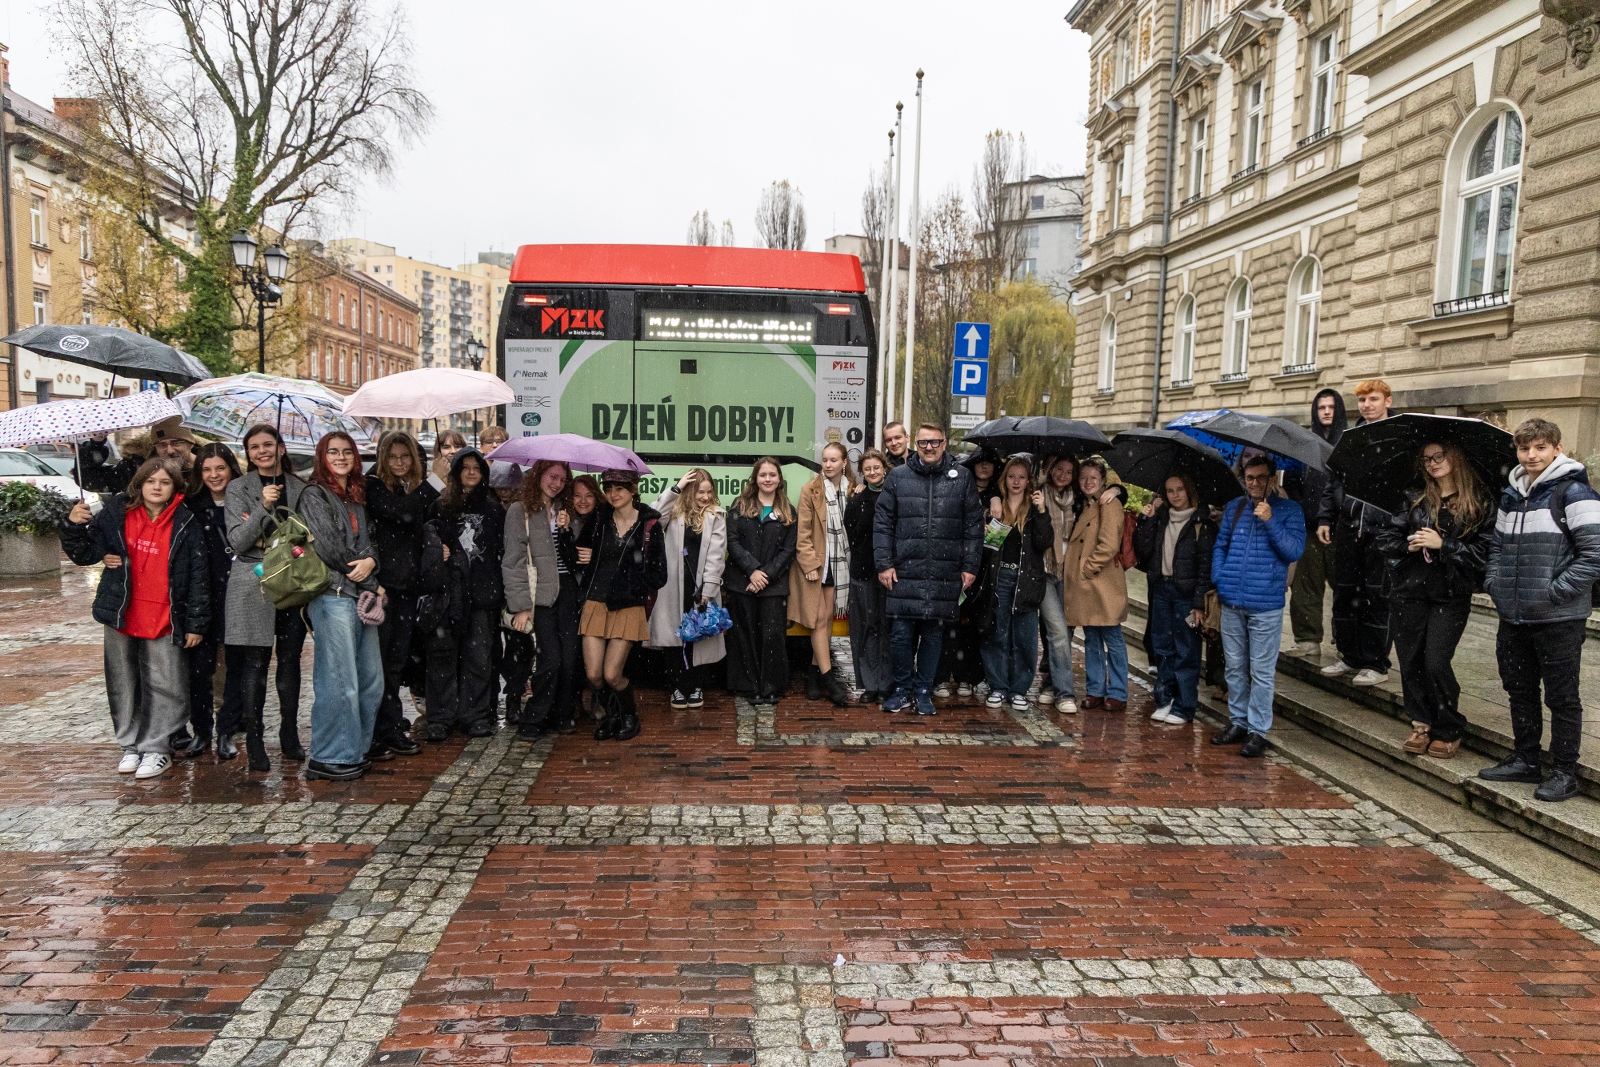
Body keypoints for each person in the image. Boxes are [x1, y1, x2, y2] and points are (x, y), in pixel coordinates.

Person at [60, 457, 208, 780]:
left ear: (175, 488)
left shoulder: (186, 520)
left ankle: (156, 748)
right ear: (139, 484)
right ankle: (130, 744)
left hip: (165, 613)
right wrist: (74, 524)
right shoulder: (116, 512)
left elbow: (199, 574)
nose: (157, 487)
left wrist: (196, 622)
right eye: (150, 481)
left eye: (164, 482)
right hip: (122, 610)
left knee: (166, 683)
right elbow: (85, 552)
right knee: (123, 681)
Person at [1479, 418, 1600, 803]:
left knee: (1562, 697)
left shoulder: (1575, 493)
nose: (1531, 456)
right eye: (1524, 449)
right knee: (1520, 690)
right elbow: (1496, 547)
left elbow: (1594, 554)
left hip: (1558, 617)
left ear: (1556, 449)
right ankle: (1526, 758)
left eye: (1540, 448)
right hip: (1513, 614)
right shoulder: (1512, 495)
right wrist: (1495, 585)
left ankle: (1564, 771)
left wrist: (1555, 592)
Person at [1374, 442, 1492, 760]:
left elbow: (1484, 554)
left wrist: (1445, 544)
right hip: (1409, 591)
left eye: (1439, 456)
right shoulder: (1414, 497)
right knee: (1411, 660)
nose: (1433, 463)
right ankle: (1421, 722)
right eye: (1427, 459)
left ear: (1455, 456)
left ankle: (1449, 726)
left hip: (1450, 594)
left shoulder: (1478, 501)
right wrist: (1408, 546)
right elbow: (1386, 537)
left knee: (1436, 661)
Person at [873, 424, 983, 716]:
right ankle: (901, 689)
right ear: (916, 444)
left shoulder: (962, 478)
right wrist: (884, 563)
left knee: (933, 635)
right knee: (900, 635)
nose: (929, 447)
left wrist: (970, 565)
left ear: (945, 443)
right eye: (923, 442)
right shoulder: (897, 477)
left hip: (943, 572)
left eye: (935, 442)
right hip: (904, 570)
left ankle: (923, 691)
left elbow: (974, 526)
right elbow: (882, 523)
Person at [298, 432, 384, 780]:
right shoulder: (314, 495)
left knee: (369, 680)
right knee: (338, 681)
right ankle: (328, 756)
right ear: (322, 457)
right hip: (332, 597)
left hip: (360, 598)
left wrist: (373, 562)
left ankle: (354, 750)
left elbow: (372, 541)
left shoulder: (357, 497)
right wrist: (370, 579)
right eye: (333, 451)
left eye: (347, 451)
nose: (341, 456)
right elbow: (330, 549)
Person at [223, 423, 309, 769]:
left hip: (292, 581)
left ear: (281, 448)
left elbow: (306, 536)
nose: (262, 451)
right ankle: (256, 739)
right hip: (252, 583)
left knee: (289, 659)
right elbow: (239, 541)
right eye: (254, 447)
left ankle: (289, 731)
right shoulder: (237, 489)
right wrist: (262, 507)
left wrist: (273, 544)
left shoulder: (301, 488)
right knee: (255, 663)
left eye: (268, 444)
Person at [1210, 455, 1306, 757]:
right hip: (1232, 600)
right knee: (1235, 668)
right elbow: (1221, 545)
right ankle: (1238, 721)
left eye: (1261, 477)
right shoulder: (1236, 507)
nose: (1254, 483)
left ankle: (1257, 730)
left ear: (1272, 479)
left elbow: (1293, 550)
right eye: (1249, 478)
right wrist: (1220, 577)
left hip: (1265, 605)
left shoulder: (1290, 510)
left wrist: (1270, 520)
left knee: (1261, 672)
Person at [420, 448, 505, 741]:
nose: (471, 473)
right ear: (455, 472)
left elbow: (500, 553)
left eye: (476, 468)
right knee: (442, 657)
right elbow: (426, 542)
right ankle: (440, 717)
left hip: (482, 594)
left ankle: (476, 715)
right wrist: (436, 549)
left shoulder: (494, 510)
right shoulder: (440, 506)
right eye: (464, 467)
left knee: (478, 658)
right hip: (446, 593)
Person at [579, 469, 667, 740]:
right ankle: (612, 715)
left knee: (612, 674)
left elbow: (659, 575)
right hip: (595, 601)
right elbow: (579, 554)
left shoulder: (649, 525)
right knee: (594, 675)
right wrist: (577, 550)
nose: (613, 494)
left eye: (619, 488)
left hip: (627, 605)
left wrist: (631, 579)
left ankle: (629, 716)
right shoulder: (598, 520)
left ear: (633, 490)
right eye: (608, 488)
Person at [364, 431, 437, 756]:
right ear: (382, 458)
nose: (398, 463)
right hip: (384, 587)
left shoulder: (411, 486)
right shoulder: (374, 486)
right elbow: (401, 512)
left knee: (396, 661)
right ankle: (381, 729)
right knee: (380, 663)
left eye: (404, 457)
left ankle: (392, 725)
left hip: (408, 587)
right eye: (392, 457)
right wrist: (435, 482)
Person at [1318, 380, 1394, 685]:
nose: (1366, 405)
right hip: (1349, 526)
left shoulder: (1397, 437)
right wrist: (1326, 517)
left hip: (1382, 530)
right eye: (1362, 400)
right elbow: (1332, 481)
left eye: (1373, 399)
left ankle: (1376, 663)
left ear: (1387, 401)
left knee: (1376, 596)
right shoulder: (1350, 438)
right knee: (1346, 593)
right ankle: (1349, 656)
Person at [503, 459, 578, 737]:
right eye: (552, 476)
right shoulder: (519, 510)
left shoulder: (565, 509)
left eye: (562, 479)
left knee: (570, 659)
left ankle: (561, 712)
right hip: (540, 597)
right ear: (539, 475)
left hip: (568, 593)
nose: (557, 483)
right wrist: (521, 606)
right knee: (550, 660)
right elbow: (513, 561)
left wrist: (567, 529)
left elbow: (573, 556)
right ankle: (533, 718)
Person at [1133, 474, 1214, 726]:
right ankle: (1165, 698)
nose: (1175, 495)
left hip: (1185, 595)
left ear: (1189, 491)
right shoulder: (1161, 519)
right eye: (1170, 490)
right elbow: (1143, 552)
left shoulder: (1202, 524)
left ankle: (1184, 705)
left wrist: (1199, 603)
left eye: (1180, 489)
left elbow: (1205, 568)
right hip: (1162, 589)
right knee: (1163, 647)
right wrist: (1146, 520)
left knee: (1186, 650)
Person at [647, 468, 728, 709]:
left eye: (709, 492)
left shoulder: (717, 516)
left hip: (700, 588)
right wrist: (676, 488)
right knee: (675, 638)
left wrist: (709, 589)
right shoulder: (674, 513)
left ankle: (695, 685)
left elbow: (716, 555)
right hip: (673, 585)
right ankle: (676, 686)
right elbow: (653, 516)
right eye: (699, 492)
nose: (705, 497)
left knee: (699, 637)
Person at [977, 457, 1054, 710]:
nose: (1017, 482)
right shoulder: (996, 507)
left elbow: (1044, 543)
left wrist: (1042, 512)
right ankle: (998, 687)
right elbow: (988, 549)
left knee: (1025, 639)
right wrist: (986, 532)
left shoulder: (1034, 509)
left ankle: (1019, 688)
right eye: (1012, 476)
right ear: (1005, 479)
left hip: (1026, 580)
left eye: (1022, 477)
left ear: (1029, 480)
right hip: (999, 578)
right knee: (996, 635)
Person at [180, 443, 241, 758]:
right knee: (199, 671)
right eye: (207, 469)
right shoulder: (190, 507)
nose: (214, 475)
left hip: (239, 596)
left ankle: (226, 731)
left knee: (234, 668)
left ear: (231, 468)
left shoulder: (246, 501)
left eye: (220, 468)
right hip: (201, 597)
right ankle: (201, 731)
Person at [725, 457, 798, 705]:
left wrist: (765, 575)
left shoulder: (788, 511)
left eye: (772, 475)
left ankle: (771, 687)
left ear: (779, 480)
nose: (768, 479)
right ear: (755, 479)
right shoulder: (740, 506)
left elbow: (788, 550)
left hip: (773, 586)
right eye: (763, 475)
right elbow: (732, 542)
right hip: (741, 582)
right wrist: (752, 570)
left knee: (772, 636)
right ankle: (748, 687)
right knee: (743, 636)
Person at [1061, 457, 1130, 711]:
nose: (1088, 482)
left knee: (1112, 637)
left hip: (1102, 582)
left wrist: (1085, 569)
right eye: (1084, 478)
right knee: (1091, 638)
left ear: (1103, 480)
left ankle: (1119, 692)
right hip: (1087, 584)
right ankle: (1095, 689)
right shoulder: (1082, 503)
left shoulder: (1109, 504)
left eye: (1093, 478)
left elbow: (1109, 544)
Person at [792, 443, 856, 706]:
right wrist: (809, 566)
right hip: (817, 564)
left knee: (828, 619)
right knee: (818, 619)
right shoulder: (811, 490)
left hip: (841, 564)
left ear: (843, 463)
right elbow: (802, 534)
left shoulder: (853, 489)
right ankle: (829, 678)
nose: (828, 465)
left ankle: (814, 673)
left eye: (833, 460)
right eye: (824, 460)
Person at [1287, 388, 1346, 656]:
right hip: (1308, 527)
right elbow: (1291, 483)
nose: (1326, 411)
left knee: (1344, 585)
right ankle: (1308, 639)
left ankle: (1344, 639)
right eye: (1321, 407)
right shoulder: (1303, 442)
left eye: (1331, 407)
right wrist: (1301, 514)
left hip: (1341, 527)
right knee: (1306, 585)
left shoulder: (1347, 441)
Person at [845, 450, 893, 703]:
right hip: (863, 571)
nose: (873, 472)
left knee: (887, 628)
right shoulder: (856, 499)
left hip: (889, 572)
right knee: (866, 627)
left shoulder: (895, 494)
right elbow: (852, 535)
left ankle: (886, 682)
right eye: (868, 469)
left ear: (884, 467)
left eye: (876, 467)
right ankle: (869, 684)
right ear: (862, 472)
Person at [1036, 455, 1080, 712]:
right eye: (1059, 470)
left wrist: (1118, 491)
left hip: (1070, 572)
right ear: (1050, 470)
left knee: (1066, 632)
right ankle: (1065, 694)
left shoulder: (1079, 500)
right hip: (1045, 571)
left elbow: (1112, 494)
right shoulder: (1039, 493)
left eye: (1069, 471)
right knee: (1058, 631)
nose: (1063, 475)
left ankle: (1050, 684)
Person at [75, 415, 197, 495]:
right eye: (162, 445)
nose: (170, 450)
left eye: (176, 443)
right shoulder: (135, 468)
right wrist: (96, 444)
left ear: (190, 443)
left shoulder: (208, 468)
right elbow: (87, 479)